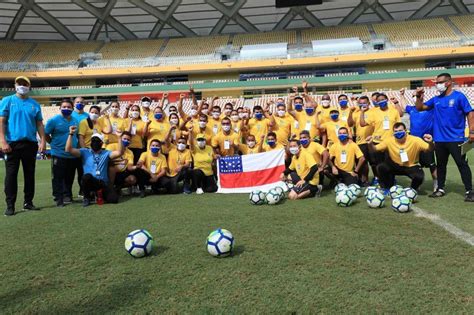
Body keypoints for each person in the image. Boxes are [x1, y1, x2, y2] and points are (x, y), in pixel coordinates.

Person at [415, 72, 474, 201]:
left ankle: (470, 191)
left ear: (448, 83)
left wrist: (472, 132)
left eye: (439, 82)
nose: (437, 85)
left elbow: (470, 113)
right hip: (439, 140)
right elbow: (420, 108)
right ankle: (440, 189)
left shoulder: (459, 97)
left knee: (461, 164)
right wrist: (419, 96)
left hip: (456, 139)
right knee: (441, 165)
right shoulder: (436, 99)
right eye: (436, 82)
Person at [0, 76, 46, 216]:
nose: (22, 85)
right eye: (19, 83)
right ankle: (10, 205)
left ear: (29, 86)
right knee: (11, 175)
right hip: (12, 143)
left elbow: (39, 124)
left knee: (29, 174)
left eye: (25, 83)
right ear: (15, 85)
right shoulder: (7, 101)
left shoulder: (34, 104)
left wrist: (42, 140)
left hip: (30, 143)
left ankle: (28, 202)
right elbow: (2, 122)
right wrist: (2, 140)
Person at [65, 128, 124, 207]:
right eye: (93, 141)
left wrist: (119, 137)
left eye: (97, 141)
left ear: (101, 143)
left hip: (103, 182)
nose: (95, 143)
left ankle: (99, 194)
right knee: (86, 177)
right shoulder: (84, 151)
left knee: (114, 200)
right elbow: (68, 149)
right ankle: (87, 198)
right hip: (91, 181)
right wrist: (70, 134)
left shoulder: (106, 153)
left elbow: (119, 152)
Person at [368, 122, 434, 192]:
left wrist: (430, 142)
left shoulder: (415, 140)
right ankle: (387, 188)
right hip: (395, 165)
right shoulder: (389, 140)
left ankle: (412, 191)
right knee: (381, 167)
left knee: (419, 176)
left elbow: (429, 149)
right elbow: (374, 149)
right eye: (396, 131)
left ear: (405, 130)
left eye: (400, 131)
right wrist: (370, 143)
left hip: (411, 166)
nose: (398, 133)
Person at [400, 88, 438, 191]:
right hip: (413, 142)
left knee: (431, 164)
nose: (415, 98)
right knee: (415, 164)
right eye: (413, 96)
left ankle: (436, 183)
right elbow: (404, 105)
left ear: (421, 97)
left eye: (416, 96)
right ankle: (418, 183)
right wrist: (402, 95)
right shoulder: (411, 109)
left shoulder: (429, 108)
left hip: (426, 141)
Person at [360, 93, 401, 184]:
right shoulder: (374, 112)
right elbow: (362, 124)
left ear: (386, 99)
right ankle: (381, 182)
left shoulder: (393, 111)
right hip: (377, 142)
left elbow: (398, 125)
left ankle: (391, 181)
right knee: (379, 164)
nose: (381, 102)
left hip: (391, 142)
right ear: (377, 103)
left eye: (383, 99)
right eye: (379, 101)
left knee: (391, 163)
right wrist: (362, 112)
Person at [44, 99, 79, 207]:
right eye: (64, 107)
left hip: (71, 154)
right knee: (58, 177)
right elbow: (45, 134)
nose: (66, 109)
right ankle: (58, 198)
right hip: (58, 153)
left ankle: (67, 195)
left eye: (69, 107)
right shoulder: (53, 120)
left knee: (69, 177)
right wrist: (53, 144)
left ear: (73, 109)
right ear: (60, 108)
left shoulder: (75, 121)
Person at [347, 96, 374, 185]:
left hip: (372, 140)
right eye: (360, 103)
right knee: (363, 162)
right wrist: (350, 112)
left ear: (368, 103)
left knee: (373, 162)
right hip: (360, 141)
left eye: (364, 103)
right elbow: (350, 124)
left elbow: (364, 124)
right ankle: (364, 180)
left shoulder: (373, 112)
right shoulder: (356, 112)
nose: (362, 105)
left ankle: (377, 178)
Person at [71, 96, 88, 198]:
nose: (80, 103)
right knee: (70, 172)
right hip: (72, 148)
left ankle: (82, 190)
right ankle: (67, 193)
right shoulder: (70, 115)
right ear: (74, 104)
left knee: (83, 171)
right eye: (78, 102)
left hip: (84, 148)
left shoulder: (88, 116)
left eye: (82, 102)